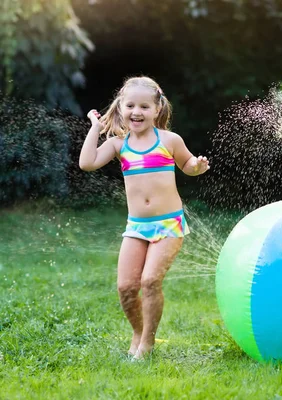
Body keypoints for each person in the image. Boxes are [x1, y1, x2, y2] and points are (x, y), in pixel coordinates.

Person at [79, 76, 210, 359]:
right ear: (121, 108)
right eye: (130, 106)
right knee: (126, 288)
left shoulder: (170, 140)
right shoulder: (118, 144)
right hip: (136, 227)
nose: (136, 112)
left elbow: (187, 165)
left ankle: (147, 344)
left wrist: (197, 166)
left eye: (144, 106)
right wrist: (95, 129)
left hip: (169, 224)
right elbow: (87, 163)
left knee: (150, 281)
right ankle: (138, 332)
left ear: (157, 110)